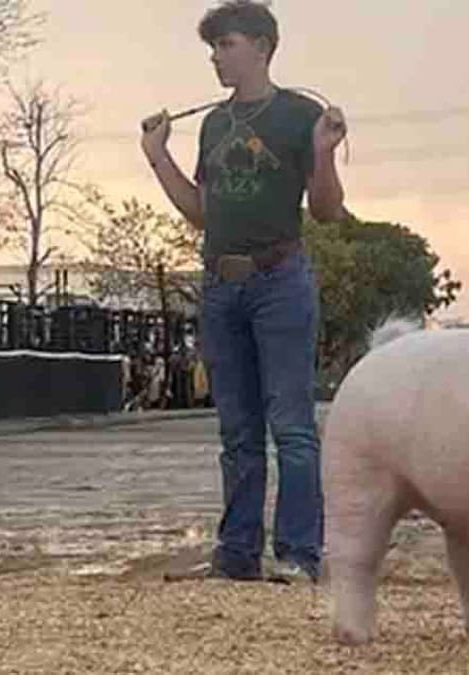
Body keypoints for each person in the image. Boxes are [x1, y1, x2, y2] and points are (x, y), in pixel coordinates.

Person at [140, 0, 347, 583]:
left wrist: (324, 153)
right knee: (236, 432)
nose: (216, 58)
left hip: (280, 280)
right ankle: (236, 555)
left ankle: (299, 556)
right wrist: (158, 158)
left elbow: (327, 211)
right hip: (219, 285)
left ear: (262, 47)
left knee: (292, 427)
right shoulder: (213, 124)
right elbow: (202, 214)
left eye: (226, 45)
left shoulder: (299, 115)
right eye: (212, 48)